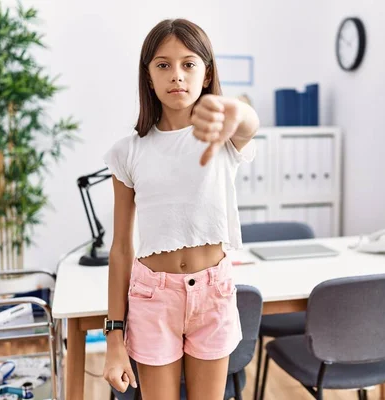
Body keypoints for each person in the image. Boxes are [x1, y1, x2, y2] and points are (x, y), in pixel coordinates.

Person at [101, 18, 259, 400]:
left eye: (189, 64)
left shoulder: (221, 135)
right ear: (149, 76)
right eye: (163, 65)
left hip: (213, 293)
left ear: (206, 75)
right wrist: (113, 338)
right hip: (153, 299)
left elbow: (248, 122)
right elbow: (121, 247)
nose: (177, 75)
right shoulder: (129, 151)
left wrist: (233, 112)